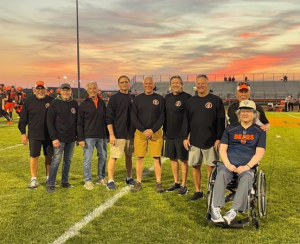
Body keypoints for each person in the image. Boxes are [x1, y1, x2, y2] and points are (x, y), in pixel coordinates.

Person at [210, 100, 266, 225]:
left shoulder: (260, 131)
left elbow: (259, 153)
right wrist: (228, 164)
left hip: (247, 167)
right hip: (228, 164)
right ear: (239, 114)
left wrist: (247, 166)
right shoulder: (230, 129)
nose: (245, 113)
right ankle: (215, 209)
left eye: (248, 111)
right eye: (243, 111)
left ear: (254, 114)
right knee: (222, 173)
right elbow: (223, 149)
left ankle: (233, 211)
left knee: (247, 178)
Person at [183, 75, 225, 201]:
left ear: (208, 84)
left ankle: (211, 191)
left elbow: (220, 121)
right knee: (195, 166)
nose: (200, 85)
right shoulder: (190, 101)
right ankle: (198, 190)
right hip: (195, 141)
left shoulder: (216, 100)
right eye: (198, 83)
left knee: (210, 167)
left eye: (203, 83)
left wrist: (218, 138)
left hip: (211, 140)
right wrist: (185, 137)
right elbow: (186, 121)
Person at [131, 75, 165, 193]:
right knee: (139, 157)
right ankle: (138, 182)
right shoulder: (137, 99)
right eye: (146, 83)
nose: (148, 85)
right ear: (143, 85)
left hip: (155, 133)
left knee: (157, 157)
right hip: (140, 133)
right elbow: (133, 117)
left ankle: (158, 182)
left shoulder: (160, 99)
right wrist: (143, 130)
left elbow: (162, 117)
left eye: (150, 83)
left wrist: (153, 130)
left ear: (154, 85)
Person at [18, 81, 54, 189]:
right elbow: (23, 119)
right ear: (34, 90)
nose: (40, 90)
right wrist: (23, 133)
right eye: (38, 88)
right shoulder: (29, 101)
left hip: (49, 135)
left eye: (42, 88)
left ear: (45, 90)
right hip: (34, 134)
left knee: (49, 156)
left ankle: (48, 178)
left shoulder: (51, 100)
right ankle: (33, 179)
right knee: (34, 156)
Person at [46, 83, 78, 193]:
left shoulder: (74, 103)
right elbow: (50, 122)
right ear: (60, 91)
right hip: (59, 138)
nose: (65, 92)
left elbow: (77, 121)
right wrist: (54, 138)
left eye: (67, 90)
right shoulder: (54, 103)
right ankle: (50, 183)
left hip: (71, 138)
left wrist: (77, 136)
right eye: (63, 90)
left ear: (70, 91)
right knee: (56, 160)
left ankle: (65, 181)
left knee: (68, 160)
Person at [106, 75, 135, 190]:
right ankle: (110, 180)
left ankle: (129, 177)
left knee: (129, 156)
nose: (124, 84)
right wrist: (111, 134)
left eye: (126, 82)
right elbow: (109, 118)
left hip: (130, 133)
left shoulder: (133, 97)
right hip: (118, 133)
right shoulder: (114, 98)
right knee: (114, 157)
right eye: (122, 82)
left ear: (129, 83)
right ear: (118, 84)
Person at [77, 81, 108, 190]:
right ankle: (88, 180)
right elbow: (79, 123)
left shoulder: (102, 103)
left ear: (98, 89)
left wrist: (107, 135)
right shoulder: (83, 104)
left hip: (101, 136)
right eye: (90, 88)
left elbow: (106, 119)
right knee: (88, 159)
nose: (92, 90)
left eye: (94, 88)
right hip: (88, 136)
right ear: (87, 90)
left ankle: (101, 178)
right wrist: (80, 138)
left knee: (103, 157)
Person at [164, 75, 191, 195]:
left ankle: (184, 185)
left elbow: (191, 118)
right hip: (170, 134)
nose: (175, 85)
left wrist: (188, 134)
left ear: (181, 84)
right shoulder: (167, 98)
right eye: (173, 83)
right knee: (173, 158)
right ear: (170, 85)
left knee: (183, 159)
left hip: (182, 135)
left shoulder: (188, 98)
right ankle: (176, 182)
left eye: (177, 83)